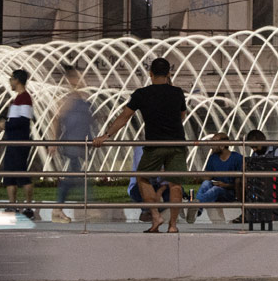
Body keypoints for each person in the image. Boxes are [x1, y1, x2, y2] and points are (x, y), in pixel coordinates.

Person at [94, 57, 188, 234]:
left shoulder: (141, 94)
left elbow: (124, 117)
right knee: (175, 184)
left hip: (154, 144)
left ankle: (155, 216)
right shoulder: (177, 93)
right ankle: (173, 225)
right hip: (177, 143)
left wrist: (106, 135)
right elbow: (182, 116)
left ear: (150, 74)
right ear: (169, 74)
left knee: (142, 177)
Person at [49, 64, 93, 223]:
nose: (83, 80)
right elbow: (56, 119)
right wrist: (53, 142)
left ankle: (60, 209)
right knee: (76, 177)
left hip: (81, 144)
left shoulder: (83, 99)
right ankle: (59, 210)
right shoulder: (68, 100)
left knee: (76, 177)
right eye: (79, 77)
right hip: (71, 144)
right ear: (72, 79)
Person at [0, 69, 36, 218]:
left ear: (17, 80)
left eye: (11, 79)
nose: (10, 81)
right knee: (10, 175)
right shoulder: (17, 99)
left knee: (22, 174)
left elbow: (24, 121)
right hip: (13, 141)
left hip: (20, 142)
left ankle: (28, 208)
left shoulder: (25, 98)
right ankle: (13, 206)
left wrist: (6, 125)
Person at [196, 133, 246, 223]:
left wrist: (224, 185)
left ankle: (196, 206)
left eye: (214, 142)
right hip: (217, 189)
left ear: (222, 145)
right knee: (206, 183)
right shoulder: (213, 158)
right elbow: (208, 177)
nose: (211, 146)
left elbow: (241, 183)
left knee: (216, 189)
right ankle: (197, 209)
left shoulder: (237, 158)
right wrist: (197, 177)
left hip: (231, 193)